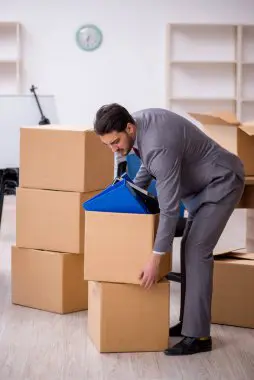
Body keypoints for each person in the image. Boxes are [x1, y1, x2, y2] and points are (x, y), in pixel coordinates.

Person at [93, 103, 245, 356]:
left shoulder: (158, 144)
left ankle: (199, 336)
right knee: (190, 246)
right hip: (200, 186)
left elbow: (169, 209)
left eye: (115, 142)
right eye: (108, 144)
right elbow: (148, 164)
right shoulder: (138, 125)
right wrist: (128, 191)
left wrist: (155, 258)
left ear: (128, 128)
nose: (114, 150)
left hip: (221, 181)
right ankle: (190, 323)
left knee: (197, 249)